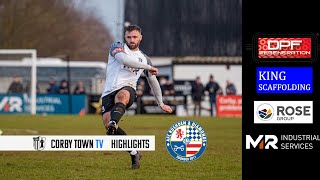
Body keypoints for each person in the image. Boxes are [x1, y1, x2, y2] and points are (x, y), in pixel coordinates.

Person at [101, 25, 173, 169]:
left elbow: (153, 82)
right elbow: (125, 61)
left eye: (134, 37)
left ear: (140, 38)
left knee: (122, 95)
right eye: (129, 37)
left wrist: (161, 103)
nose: (131, 40)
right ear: (125, 37)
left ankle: (114, 122)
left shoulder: (145, 59)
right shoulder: (117, 47)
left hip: (128, 89)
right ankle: (134, 152)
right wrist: (147, 68)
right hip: (108, 92)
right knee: (109, 128)